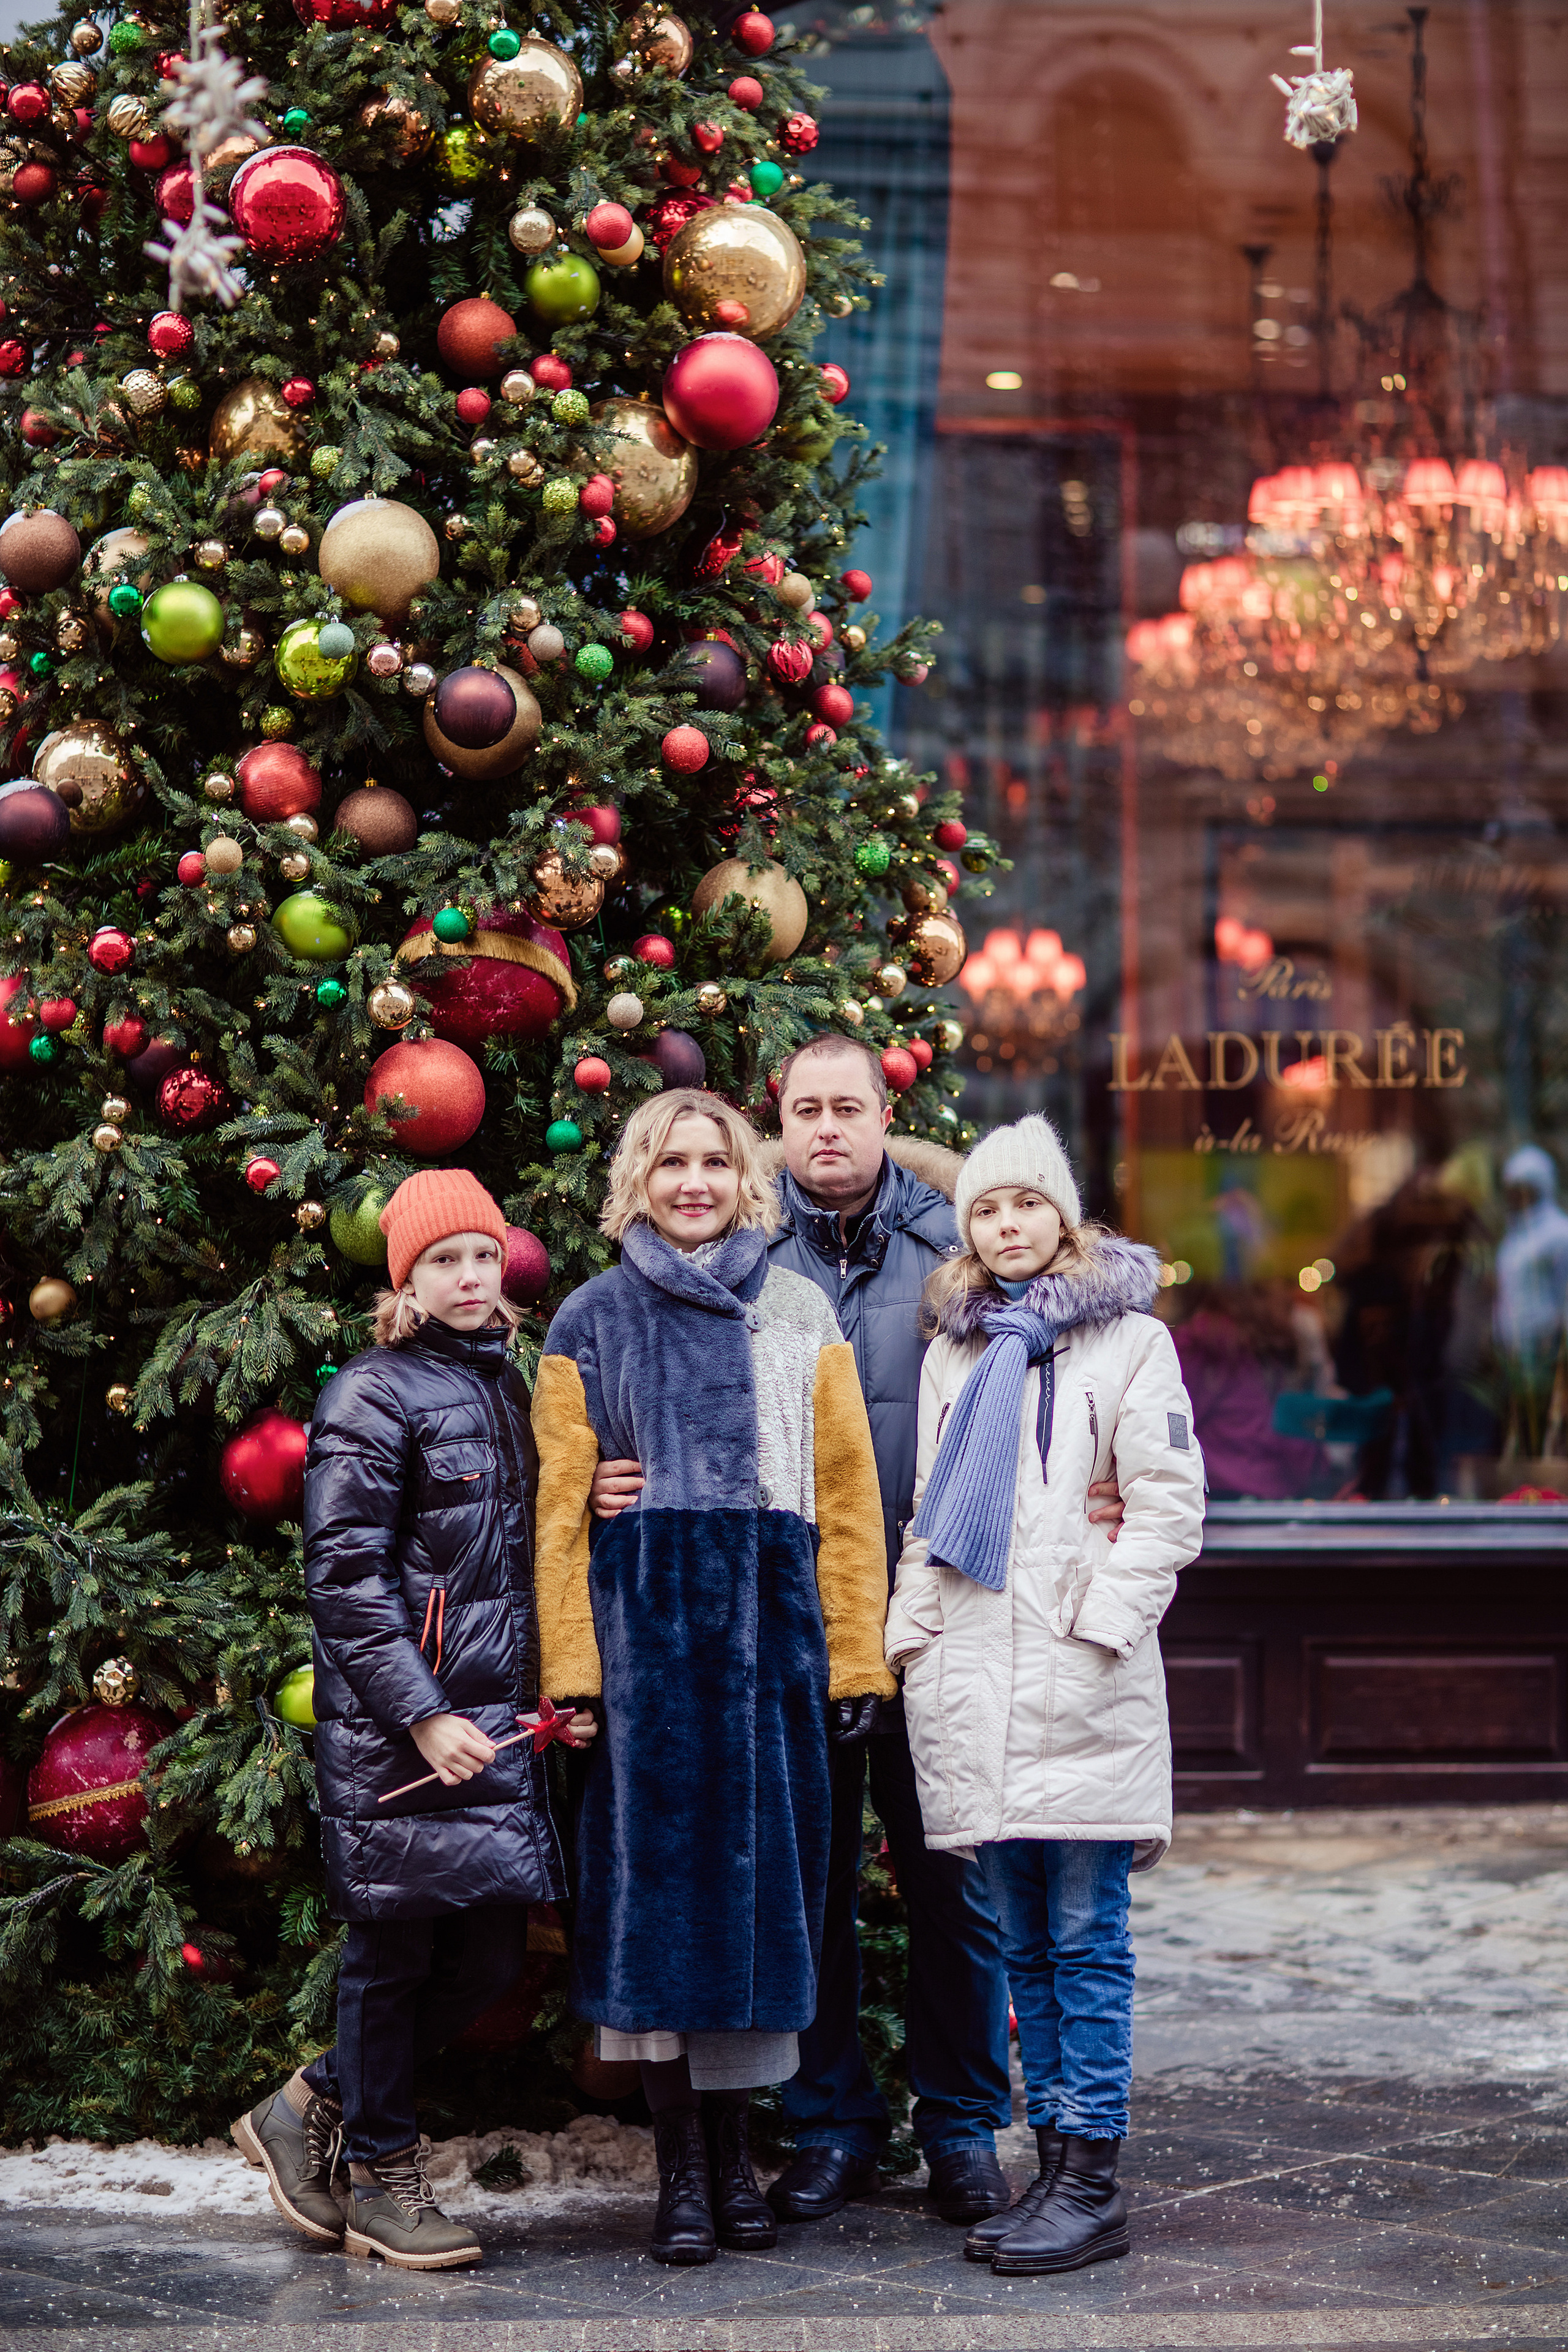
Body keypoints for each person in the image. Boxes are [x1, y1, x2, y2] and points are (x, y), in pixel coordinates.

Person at [592, 1035, 1124, 2226]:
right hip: (790, 1622)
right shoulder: (739, 1260)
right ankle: (829, 2127)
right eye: (802, 1110)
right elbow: (640, 1398)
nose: (825, 1128)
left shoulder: (961, 1247)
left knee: (954, 1885)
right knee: (809, 1882)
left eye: (848, 1107)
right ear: (776, 1128)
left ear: (886, 1118)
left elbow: (1080, 1384)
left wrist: (1108, 1489)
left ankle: (961, 2131)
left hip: (943, 1616)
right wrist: (605, 1480)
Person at [530, 1089, 892, 2267]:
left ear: (749, 1179)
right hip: (650, 1662)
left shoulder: (797, 1310)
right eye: (671, 1162)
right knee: (663, 1916)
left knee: (764, 1915)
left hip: (773, 1645)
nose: (695, 1182)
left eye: (715, 1163)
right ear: (637, 1176)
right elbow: (557, 1518)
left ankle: (740, 2161)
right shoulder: (589, 1318)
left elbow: (847, 1503)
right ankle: (683, 2174)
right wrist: (575, 1673)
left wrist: (854, 1654)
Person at [232, 1170, 591, 2272]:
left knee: (485, 1954)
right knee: (391, 1954)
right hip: (404, 1729)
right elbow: (345, 1582)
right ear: (408, 1282)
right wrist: (423, 1714)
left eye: (484, 1255)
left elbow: (517, 1554)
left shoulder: (505, 1383)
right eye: (446, 1261)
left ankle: (309, 2103)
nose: (472, 1277)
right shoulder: (372, 1396)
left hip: (492, 1724)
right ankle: (387, 2177)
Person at [887, 1116, 1205, 2277]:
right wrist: (911, 1639)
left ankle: (1094, 2180)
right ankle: (1052, 2173)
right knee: (1021, 1946)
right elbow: (932, 1509)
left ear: (1063, 1215)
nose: (1007, 1225)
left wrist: (1100, 1623)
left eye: (1026, 1204)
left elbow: (1167, 1510)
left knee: (1088, 1939)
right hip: (973, 1675)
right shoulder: (955, 1350)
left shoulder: (1131, 1341)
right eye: (986, 1208)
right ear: (967, 1227)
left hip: (1082, 1677)